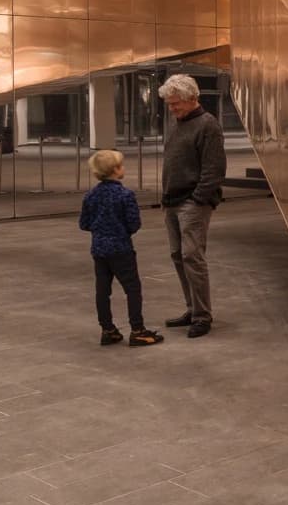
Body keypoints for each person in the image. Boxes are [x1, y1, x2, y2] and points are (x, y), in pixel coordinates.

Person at [158, 74, 226, 337]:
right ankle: (192, 307)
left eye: (176, 104)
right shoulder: (178, 123)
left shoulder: (208, 125)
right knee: (178, 256)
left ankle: (202, 316)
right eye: (169, 104)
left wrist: (198, 198)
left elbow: (214, 168)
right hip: (173, 201)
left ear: (192, 99)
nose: (172, 108)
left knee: (192, 257)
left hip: (192, 203)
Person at [78, 149, 163, 348]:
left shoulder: (90, 195)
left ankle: (108, 329)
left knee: (102, 290)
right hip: (121, 248)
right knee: (132, 289)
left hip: (99, 249)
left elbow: (84, 223)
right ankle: (137, 330)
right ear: (115, 170)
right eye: (121, 165)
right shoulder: (125, 195)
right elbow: (134, 224)